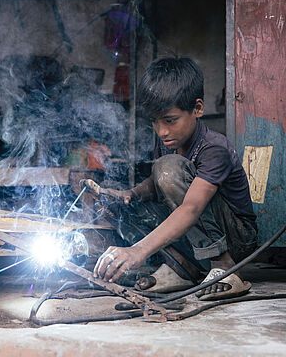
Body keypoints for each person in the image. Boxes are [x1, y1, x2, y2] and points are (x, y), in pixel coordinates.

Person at [89, 56, 257, 301]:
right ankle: (183, 267)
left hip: (237, 237)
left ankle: (225, 266)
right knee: (123, 206)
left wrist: (138, 250)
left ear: (197, 109)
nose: (162, 131)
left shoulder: (214, 148)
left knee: (168, 168)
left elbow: (190, 207)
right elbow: (157, 182)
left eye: (170, 120)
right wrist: (130, 195)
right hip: (197, 234)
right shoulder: (169, 141)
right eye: (155, 122)